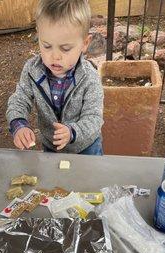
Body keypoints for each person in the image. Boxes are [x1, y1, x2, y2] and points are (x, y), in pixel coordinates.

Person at [6, 0, 104, 155]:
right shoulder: (32, 70)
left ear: (85, 44)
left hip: (85, 149)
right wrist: (18, 124)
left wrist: (72, 132)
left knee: (86, 179)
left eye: (65, 48)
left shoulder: (89, 77)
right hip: (51, 147)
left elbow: (94, 118)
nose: (55, 56)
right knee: (53, 179)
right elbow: (19, 99)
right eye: (46, 46)